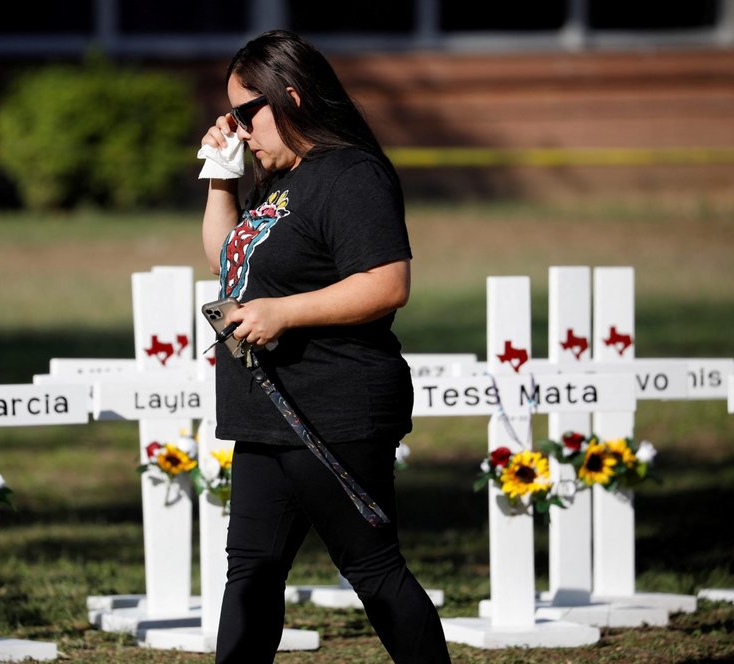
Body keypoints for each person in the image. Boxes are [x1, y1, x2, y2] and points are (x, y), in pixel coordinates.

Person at [199, 30, 451, 664]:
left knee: (371, 567)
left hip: (332, 407)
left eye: (246, 114)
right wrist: (221, 181)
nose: (240, 130)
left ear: (291, 96)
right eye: (231, 117)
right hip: (268, 410)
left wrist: (285, 312)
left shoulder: (351, 175)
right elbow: (231, 269)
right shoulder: (279, 181)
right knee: (251, 570)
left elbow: (387, 284)